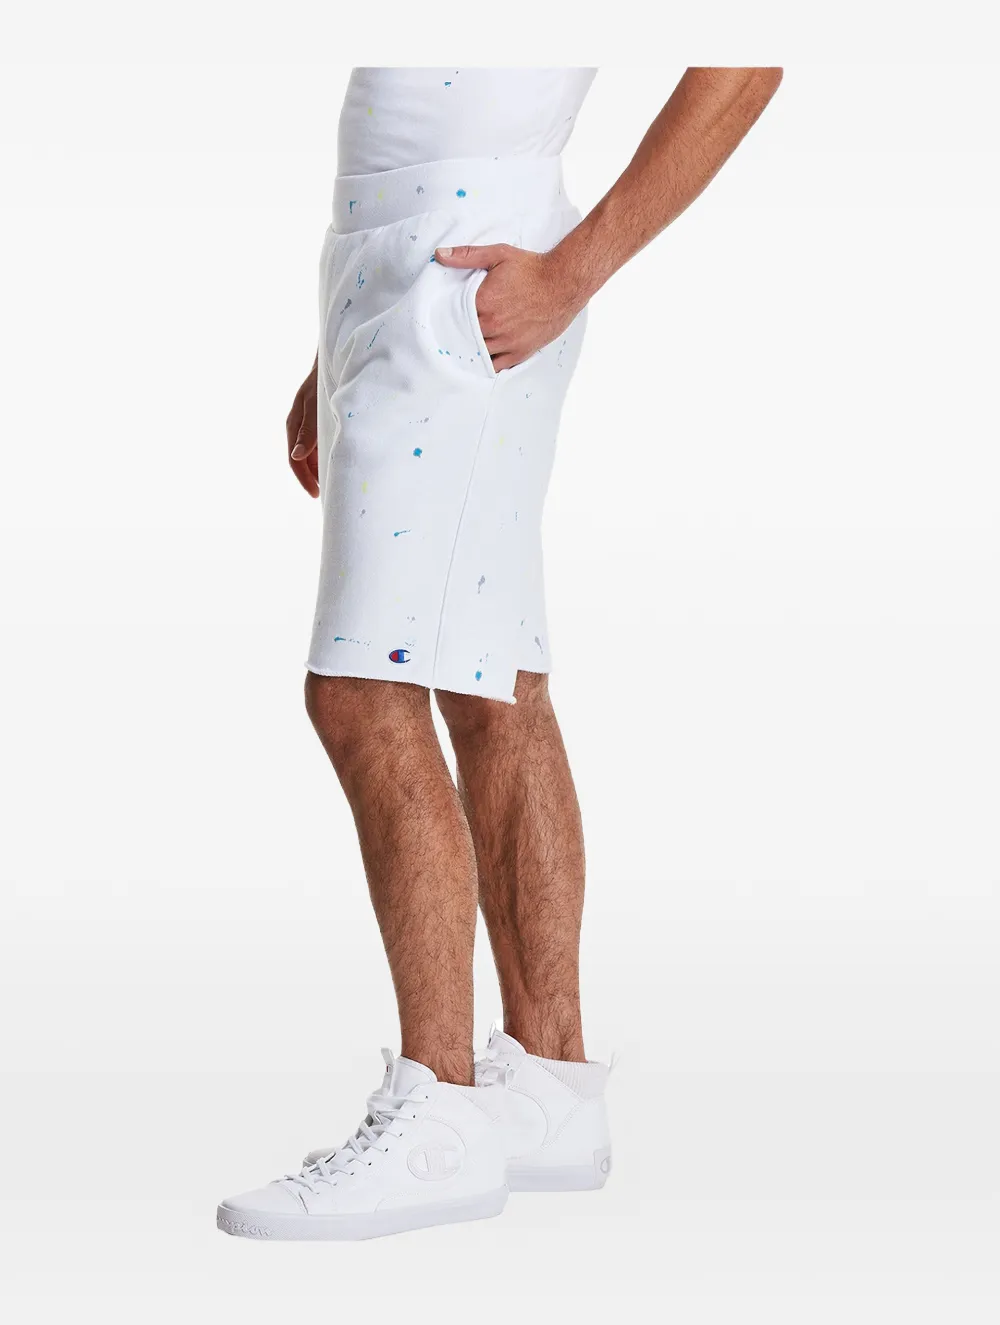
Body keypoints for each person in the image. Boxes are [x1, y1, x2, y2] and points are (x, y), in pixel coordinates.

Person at [218, 64, 782, 1242]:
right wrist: (335, 348)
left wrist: (571, 272)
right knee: (491, 677)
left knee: (362, 688)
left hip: (471, 264)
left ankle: (439, 1111)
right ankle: (550, 1083)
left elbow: (748, 56)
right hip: (399, 260)